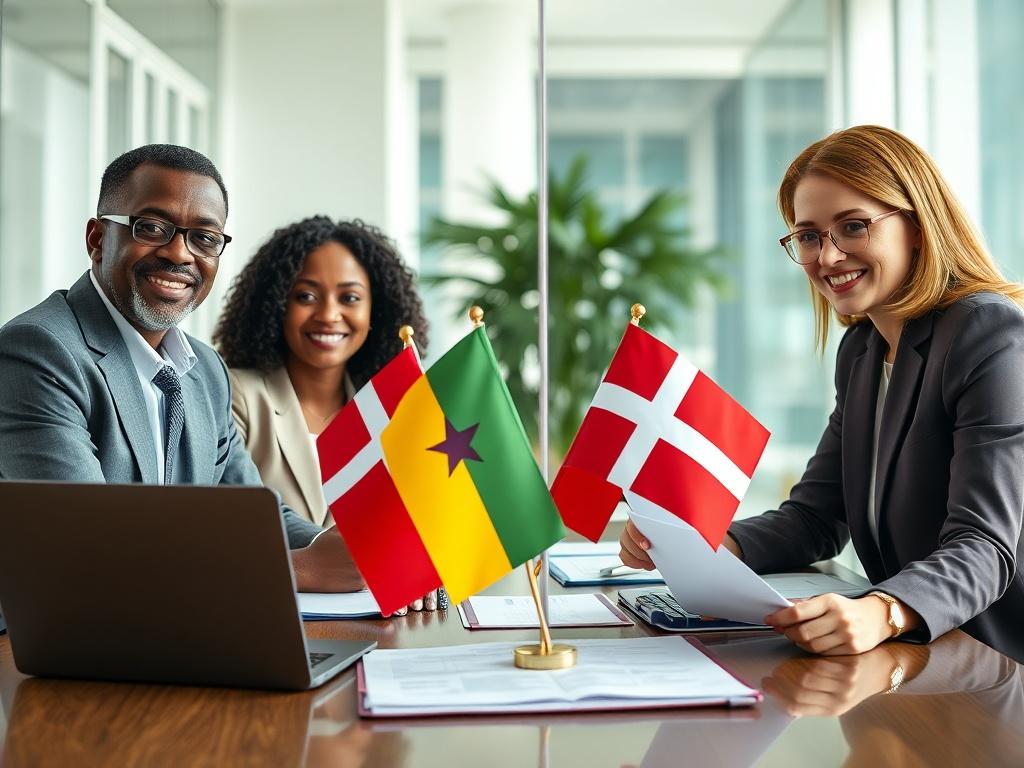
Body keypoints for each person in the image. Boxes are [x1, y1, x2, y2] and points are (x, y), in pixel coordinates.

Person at [620, 125, 1024, 662]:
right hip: (910, 662)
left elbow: (985, 547)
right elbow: (816, 517)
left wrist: (883, 608)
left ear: (919, 227)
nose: (827, 257)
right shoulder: (861, 351)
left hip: (992, 666)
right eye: (808, 236)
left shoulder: (989, 336)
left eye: (853, 227)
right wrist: (705, 546)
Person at [0, 144, 360, 592]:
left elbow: (259, 517)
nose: (179, 254)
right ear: (97, 239)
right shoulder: (39, 351)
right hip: (48, 649)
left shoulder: (204, 369)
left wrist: (364, 559)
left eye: (204, 238)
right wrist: (303, 570)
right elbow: (86, 548)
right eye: (151, 227)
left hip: (177, 633)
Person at [213, 216, 436, 612]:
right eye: (306, 296)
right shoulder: (234, 394)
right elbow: (227, 529)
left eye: (349, 298)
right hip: (265, 615)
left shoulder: (395, 410)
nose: (329, 315)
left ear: (376, 312)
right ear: (277, 304)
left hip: (378, 624)